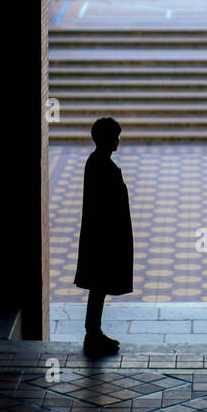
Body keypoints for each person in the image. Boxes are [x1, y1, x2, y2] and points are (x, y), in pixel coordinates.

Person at [74, 117, 134, 358]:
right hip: (103, 238)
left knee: (98, 286)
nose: (118, 141)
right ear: (108, 139)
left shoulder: (96, 162)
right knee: (99, 285)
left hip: (99, 235)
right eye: (115, 136)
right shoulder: (103, 166)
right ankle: (93, 332)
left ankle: (94, 331)